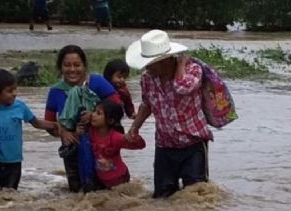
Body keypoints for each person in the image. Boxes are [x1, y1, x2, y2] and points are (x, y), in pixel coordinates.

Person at [126, 30, 213, 198]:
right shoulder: (147, 78)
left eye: (151, 63)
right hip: (164, 145)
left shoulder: (193, 70)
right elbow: (146, 103)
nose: (147, 67)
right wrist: (134, 127)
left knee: (196, 195)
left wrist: (180, 65)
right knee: (162, 196)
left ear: (166, 60)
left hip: (193, 144)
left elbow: (182, 87)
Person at [43, 44, 121, 192]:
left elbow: (117, 107)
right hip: (72, 148)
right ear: (60, 67)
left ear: (84, 66)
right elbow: (49, 123)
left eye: (77, 65)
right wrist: (63, 132)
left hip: (102, 147)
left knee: (107, 190)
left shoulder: (97, 83)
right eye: (67, 65)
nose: (72, 70)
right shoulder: (56, 91)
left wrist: (94, 114)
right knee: (77, 191)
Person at [0, 69, 57, 193]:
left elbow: (36, 123)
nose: (15, 93)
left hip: (14, 162)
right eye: (9, 91)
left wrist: (56, 126)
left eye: (15, 89)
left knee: (10, 196)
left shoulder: (20, 107)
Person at [86, 100, 145, 188]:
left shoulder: (115, 137)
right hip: (100, 178)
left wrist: (133, 136)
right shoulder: (90, 132)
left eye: (98, 113)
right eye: (94, 111)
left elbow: (141, 145)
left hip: (119, 178)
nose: (93, 115)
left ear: (110, 120)